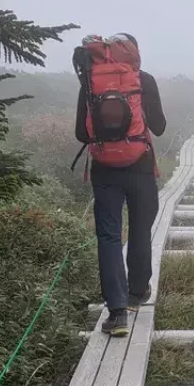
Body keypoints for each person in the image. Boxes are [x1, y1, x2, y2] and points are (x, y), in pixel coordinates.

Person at [74, 33, 167, 337]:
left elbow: (81, 134)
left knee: (109, 237)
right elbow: (159, 127)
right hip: (140, 166)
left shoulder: (91, 80)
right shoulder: (144, 79)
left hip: (104, 171)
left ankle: (116, 314)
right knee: (140, 228)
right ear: (134, 53)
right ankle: (137, 293)